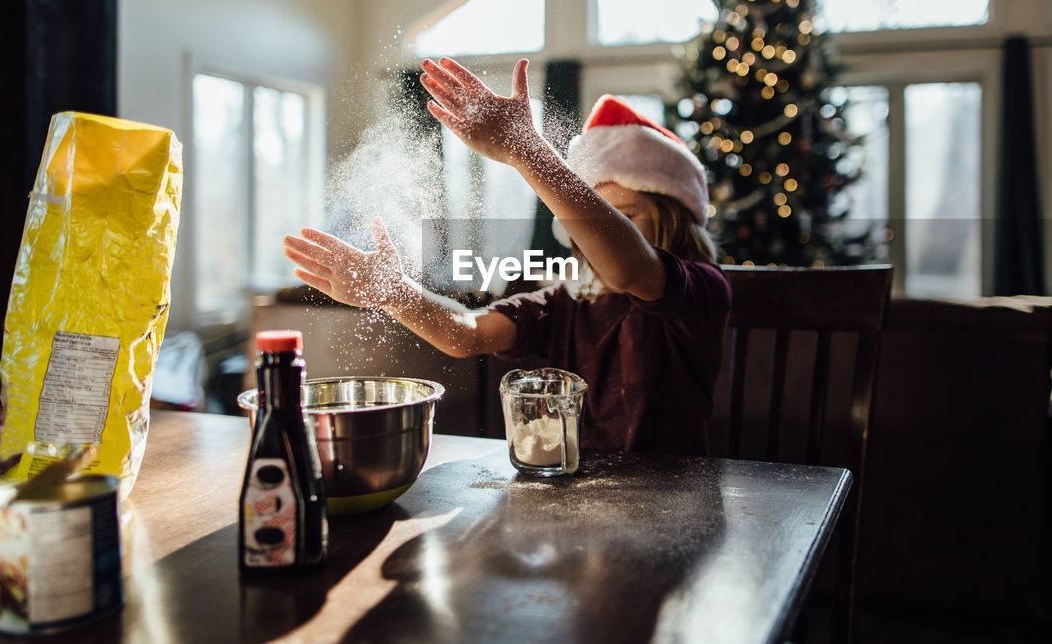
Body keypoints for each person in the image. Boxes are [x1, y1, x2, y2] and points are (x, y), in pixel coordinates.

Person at [283, 57, 731, 455]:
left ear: (675, 219)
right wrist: (395, 293)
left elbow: (629, 266)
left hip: (675, 499)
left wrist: (527, 152)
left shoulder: (702, 289)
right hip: (578, 500)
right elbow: (466, 333)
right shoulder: (565, 301)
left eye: (623, 218)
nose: (595, 231)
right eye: (590, 217)